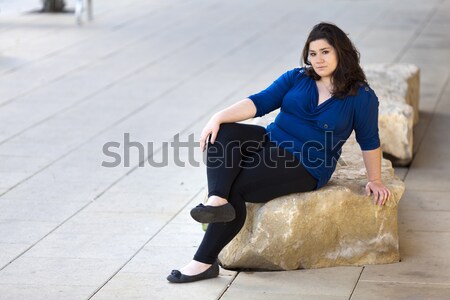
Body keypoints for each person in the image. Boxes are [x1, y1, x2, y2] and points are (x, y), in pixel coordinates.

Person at [167, 22, 391, 284]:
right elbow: (259, 102)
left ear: (341, 51)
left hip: (306, 162)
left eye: (325, 52)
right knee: (224, 132)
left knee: (236, 187)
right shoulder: (297, 77)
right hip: (270, 140)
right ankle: (217, 202)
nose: (318, 59)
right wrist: (217, 117)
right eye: (313, 53)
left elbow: (369, 140)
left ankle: (202, 262)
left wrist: (375, 179)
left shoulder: (361, 96)